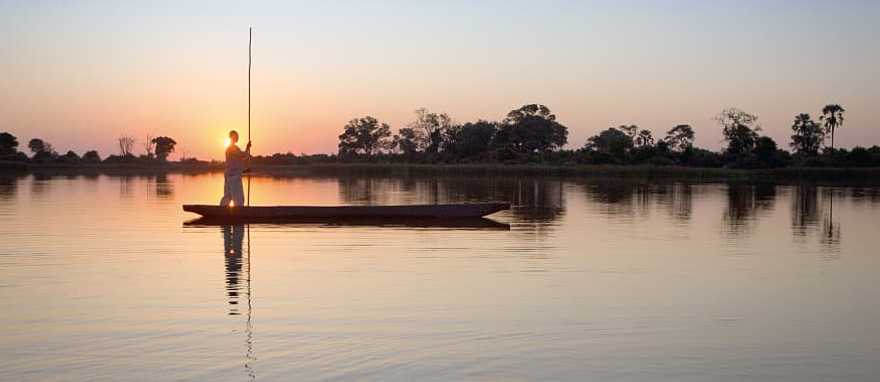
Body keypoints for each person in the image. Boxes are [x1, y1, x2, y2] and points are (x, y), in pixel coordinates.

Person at [219, 130, 251, 207]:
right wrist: (247, 148)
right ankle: (238, 211)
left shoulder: (232, 148)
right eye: (236, 136)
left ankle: (221, 209)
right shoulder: (232, 148)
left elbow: (238, 160)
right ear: (232, 137)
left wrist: (244, 169)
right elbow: (242, 155)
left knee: (227, 196)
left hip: (230, 175)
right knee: (238, 198)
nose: (237, 138)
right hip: (234, 176)